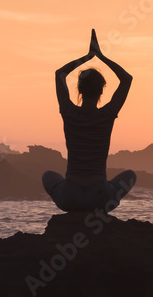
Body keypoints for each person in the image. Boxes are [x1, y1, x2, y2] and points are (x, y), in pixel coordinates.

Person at [42, 30, 136, 212]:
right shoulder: (107, 115)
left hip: (70, 196)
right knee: (130, 175)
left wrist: (86, 58)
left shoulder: (69, 112)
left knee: (48, 175)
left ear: (78, 90)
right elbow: (127, 79)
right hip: (99, 197)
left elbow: (59, 73)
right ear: (102, 91)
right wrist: (101, 57)